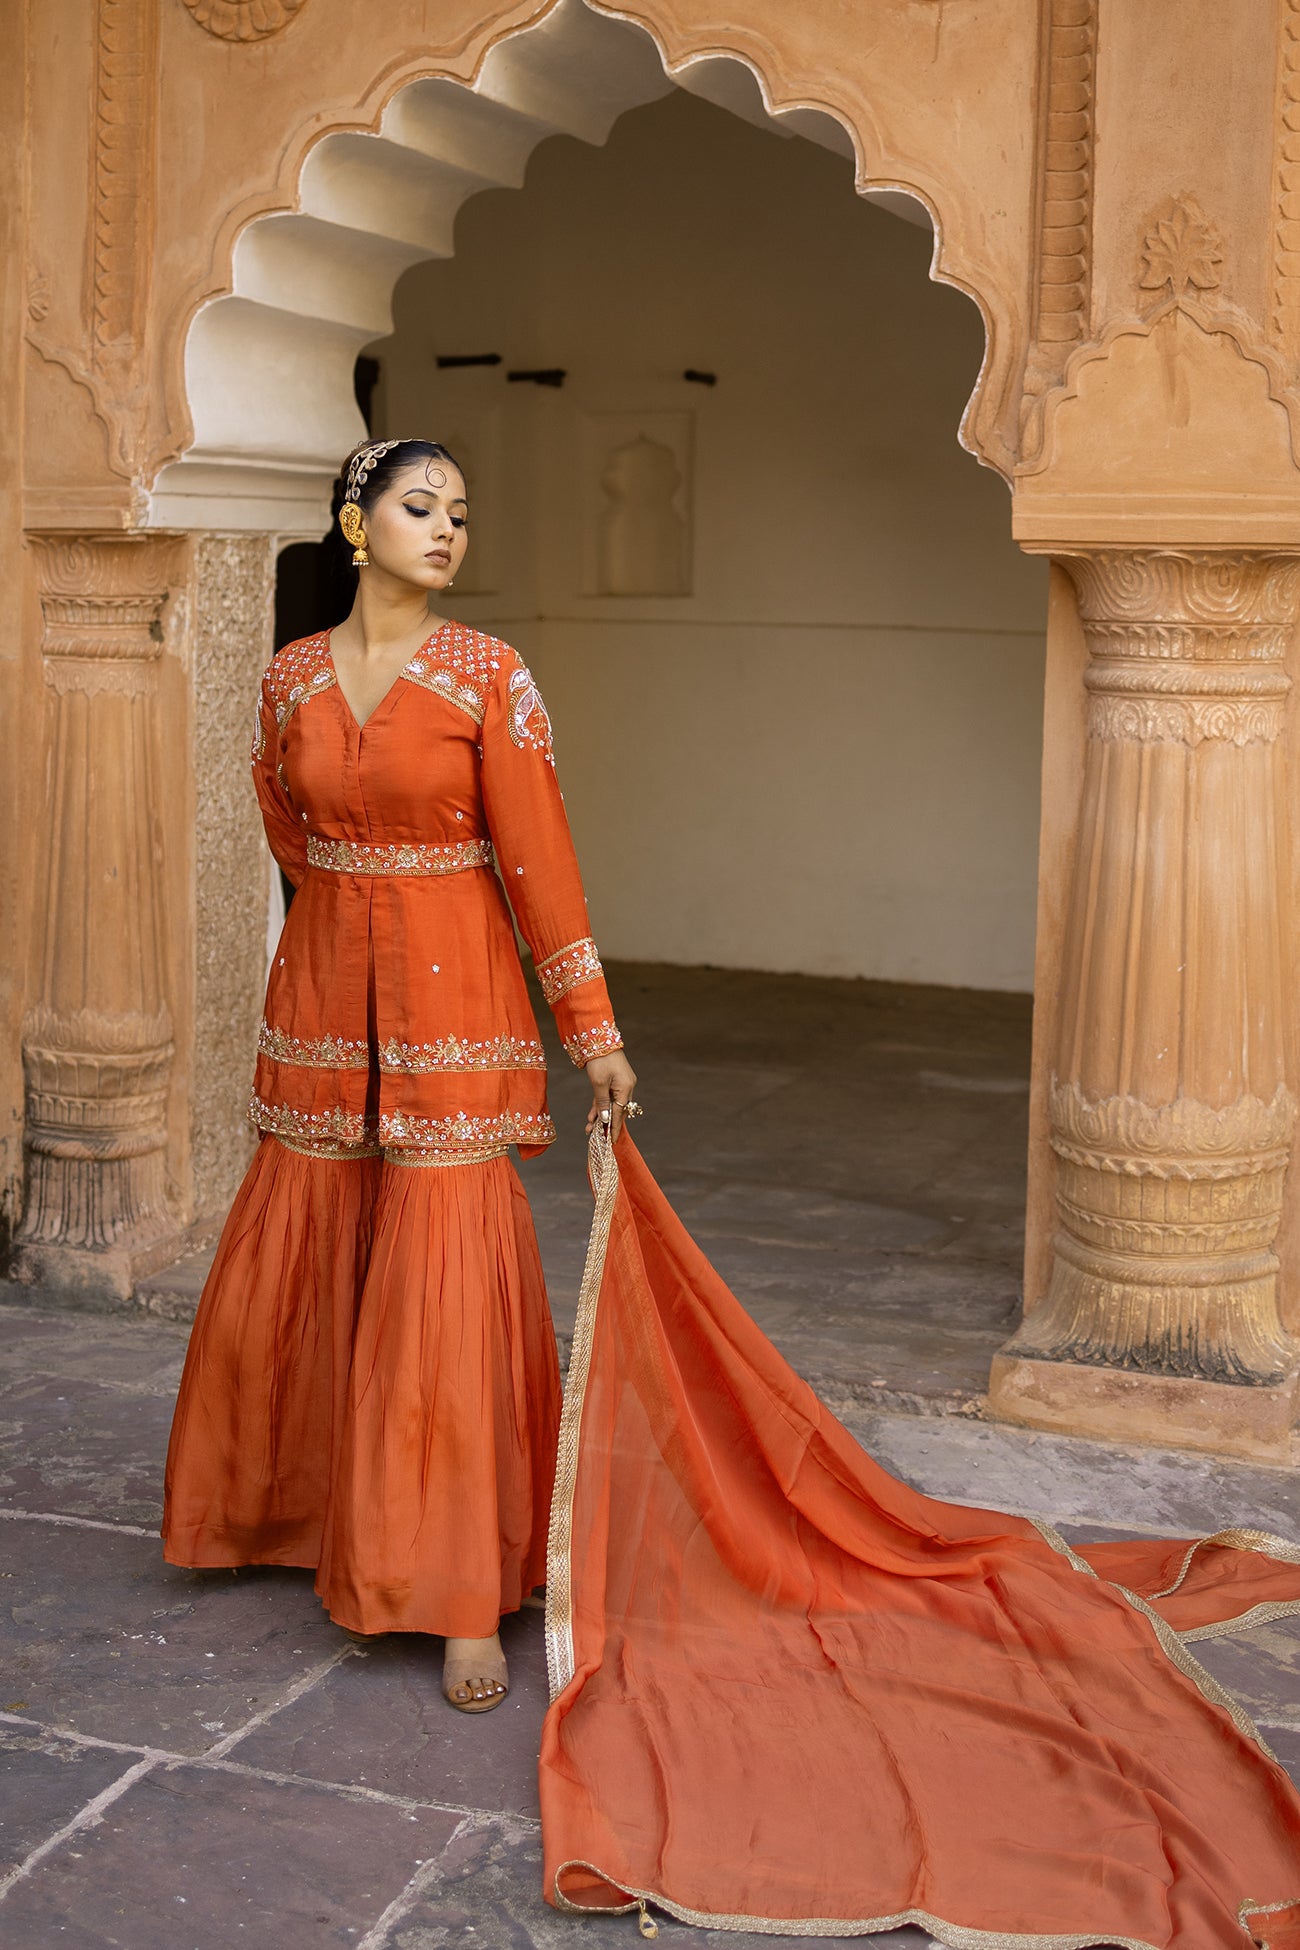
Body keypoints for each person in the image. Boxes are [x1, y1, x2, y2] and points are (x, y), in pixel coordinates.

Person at [163, 436, 637, 1713]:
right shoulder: (289, 680)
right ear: (353, 523)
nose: (445, 531)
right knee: (308, 1249)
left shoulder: (490, 678)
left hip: (455, 1000)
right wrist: (342, 924)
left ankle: (460, 1590)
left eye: (460, 515)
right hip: (322, 998)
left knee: (436, 1275)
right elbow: (286, 823)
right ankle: (303, 1518)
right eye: (419, 508)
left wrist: (587, 1024)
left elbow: (539, 858)